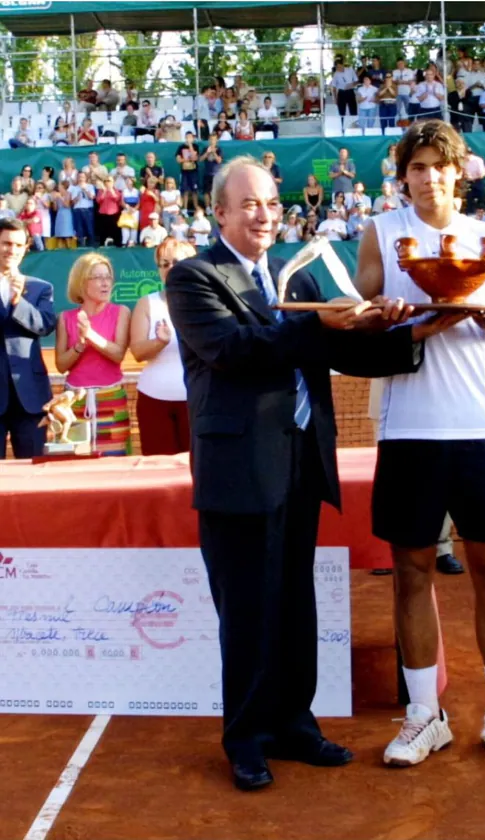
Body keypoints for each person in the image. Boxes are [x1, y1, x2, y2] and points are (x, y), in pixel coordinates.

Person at [165, 155, 445, 792]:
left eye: (270, 202)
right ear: (221, 213)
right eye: (250, 205)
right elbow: (238, 351)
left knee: (294, 603)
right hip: (239, 472)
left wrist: (411, 330)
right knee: (246, 612)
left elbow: (343, 350)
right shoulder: (193, 277)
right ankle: (246, 738)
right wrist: (317, 321)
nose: (265, 214)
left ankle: (294, 723)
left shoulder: (297, 280)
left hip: (299, 462)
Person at [350, 120, 485, 769]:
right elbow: (364, 311)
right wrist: (385, 312)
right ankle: (422, 715)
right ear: (403, 174)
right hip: (409, 430)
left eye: (441, 166)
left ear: (458, 171)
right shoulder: (380, 232)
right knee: (411, 573)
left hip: (480, 428)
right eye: (418, 167)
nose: (430, 176)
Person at [54, 253, 132, 456]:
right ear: (81, 282)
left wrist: (90, 335)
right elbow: (61, 365)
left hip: (111, 399)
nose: (105, 283)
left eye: (108, 277)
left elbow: (118, 354)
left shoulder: (121, 312)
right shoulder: (65, 318)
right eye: (98, 277)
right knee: (75, 463)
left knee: (115, 465)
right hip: (73, 402)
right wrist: (79, 345)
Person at [129, 239, 196, 456]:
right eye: (164, 264)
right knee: (157, 472)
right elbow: (138, 352)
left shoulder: (209, 303)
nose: (170, 268)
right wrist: (159, 343)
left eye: (176, 262)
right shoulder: (147, 303)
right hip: (154, 401)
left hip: (197, 401)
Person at [0, 219, 55, 458]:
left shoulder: (41, 288)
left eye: (18, 245)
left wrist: (17, 301)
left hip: (30, 398)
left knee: (34, 472)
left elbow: (44, 326)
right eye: (6, 243)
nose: (12, 250)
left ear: (25, 248)